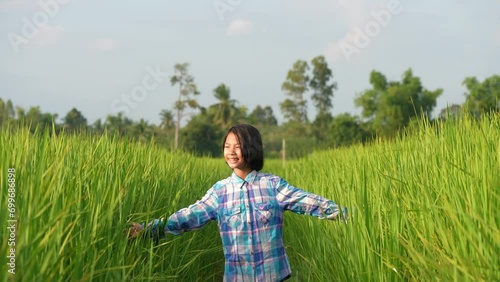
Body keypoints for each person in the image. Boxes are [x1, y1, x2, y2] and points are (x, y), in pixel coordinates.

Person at [128, 124, 347, 282]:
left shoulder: (272, 185)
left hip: (273, 275)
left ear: (252, 148)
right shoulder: (220, 191)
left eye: (238, 146)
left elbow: (306, 201)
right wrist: (148, 228)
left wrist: (345, 213)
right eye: (227, 146)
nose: (231, 151)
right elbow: (188, 216)